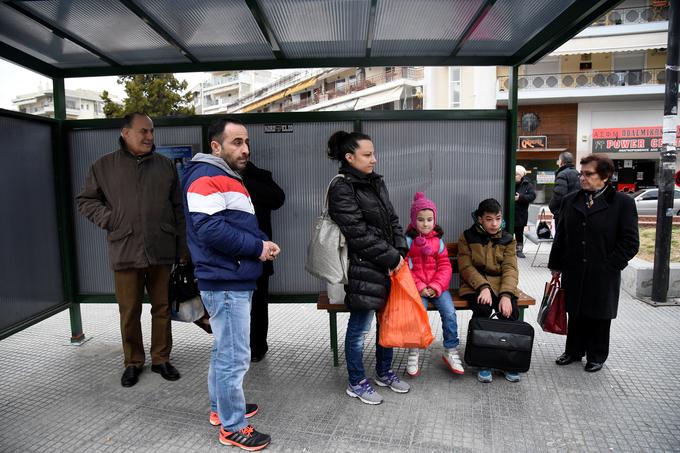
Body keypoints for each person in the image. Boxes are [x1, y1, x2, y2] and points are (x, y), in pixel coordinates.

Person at [182, 118, 278, 450]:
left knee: (224, 350)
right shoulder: (206, 176)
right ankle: (232, 426)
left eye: (246, 141)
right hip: (225, 279)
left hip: (230, 276)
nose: (245, 149)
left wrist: (262, 242)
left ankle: (219, 409)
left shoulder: (224, 176)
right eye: (236, 142)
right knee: (235, 356)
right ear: (216, 146)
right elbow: (211, 230)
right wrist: (256, 248)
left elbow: (237, 224)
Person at [77, 112, 187, 388]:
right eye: (143, 131)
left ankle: (161, 358)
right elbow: (86, 201)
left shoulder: (164, 166)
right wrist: (111, 220)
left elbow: (178, 208)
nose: (149, 137)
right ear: (125, 133)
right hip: (125, 249)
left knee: (162, 307)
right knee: (129, 311)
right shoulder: (103, 166)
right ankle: (133, 362)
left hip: (160, 248)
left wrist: (182, 246)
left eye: (152, 131)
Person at [326, 130, 410, 405]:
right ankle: (356, 381)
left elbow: (393, 220)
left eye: (374, 153)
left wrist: (400, 251)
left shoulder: (376, 182)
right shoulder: (342, 187)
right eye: (367, 154)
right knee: (360, 329)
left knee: (388, 324)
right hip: (362, 269)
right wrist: (392, 259)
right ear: (349, 157)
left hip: (387, 267)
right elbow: (357, 234)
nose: (374, 159)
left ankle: (384, 372)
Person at [549, 154, 639, 373]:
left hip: (603, 271)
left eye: (589, 174)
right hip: (575, 268)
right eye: (582, 173)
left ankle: (596, 355)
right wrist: (556, 266)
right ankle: (573, 351)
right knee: (576, 311)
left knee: (599, 315)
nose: (583, 178)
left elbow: (630, 242)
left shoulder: (622, 203)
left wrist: (610, 266)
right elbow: (562, 235)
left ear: (605, 176)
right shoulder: (571, 200)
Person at [458, 198, 521, 383]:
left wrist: (506, 295)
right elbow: (466, 267)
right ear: (480, 219)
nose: (494, 223)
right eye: (489, 219)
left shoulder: (508, 239)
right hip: (474, 284)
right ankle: (483, 361)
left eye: (498, 218)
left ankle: (506, 360)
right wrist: (483, 286)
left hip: (501, 285)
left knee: (511, 312)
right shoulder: (467, 236)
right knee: (483, 309)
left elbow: (510, 269)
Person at [404, 192, 464, 377]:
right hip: (417, 288)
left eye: (429, 219)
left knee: (449, 313)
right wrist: (421, 286)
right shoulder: (408, 241)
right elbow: (405, 268)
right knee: (417, 315)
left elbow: (445, 266)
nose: (425, 223)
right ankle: (414, 351)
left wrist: (436, 286)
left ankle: (451, 350)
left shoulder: (438, 242)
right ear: (414, 220)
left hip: (438, 288)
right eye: (421, 219)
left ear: (434, 220)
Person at [241, 161, 285, 362]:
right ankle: (239, 346)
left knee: (259, 303)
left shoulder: (259, 175)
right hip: (231, 252)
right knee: (234, 303)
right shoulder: (216, 175)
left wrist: (243, 182)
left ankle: (258, 346)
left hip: (261, 251)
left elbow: (278, 199)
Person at [549, 151, 580, 228]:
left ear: (562, 162)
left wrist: (552, 207)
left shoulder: (562, 174)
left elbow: (559, 195)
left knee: (561, 237)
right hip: (575, 211)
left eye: (558, 160)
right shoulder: (577, 173)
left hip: (563, 213)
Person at [514, 165, 536, 258]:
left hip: (520, 213)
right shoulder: (508, 181)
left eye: (516, 174)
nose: (514, 176)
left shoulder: (527, 184)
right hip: (509, 212)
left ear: (521, 175)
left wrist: (520, 197)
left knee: (519, 233)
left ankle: (519, 250)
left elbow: (532, 197)